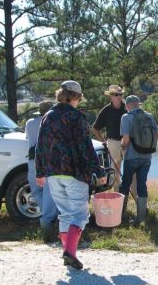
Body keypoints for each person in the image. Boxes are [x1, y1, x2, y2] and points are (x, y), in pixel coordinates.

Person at [36, 80, 106, 270]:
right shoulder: (77, 117)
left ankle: (68, 252)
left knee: (65, 214)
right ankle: (70, 252)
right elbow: (86, 147)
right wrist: (98, 171)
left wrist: (40, 172)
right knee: (80, 214)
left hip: (53, 173)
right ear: (75, 97)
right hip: (74, 172)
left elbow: (40, 145)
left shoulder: (48, 116)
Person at [119, 95, 158, 224]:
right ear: (138, 104)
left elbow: (125, 139)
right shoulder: (149, 116)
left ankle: (120, 216)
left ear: (127, 105)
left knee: (125, 185)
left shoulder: (126, 117)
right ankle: (141, 218)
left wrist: (122, 147)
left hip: (131, 157)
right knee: (142, 185)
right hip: (146, 157)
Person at [25, 101, 58, 242]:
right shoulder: (52, 122)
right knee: (48, 192)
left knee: (35, 190)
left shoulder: (29, 123)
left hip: (32, 159)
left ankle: (46, 218)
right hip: (47, 160)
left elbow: (28, 138)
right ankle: (48, 218)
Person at [93, 84, 127, 191]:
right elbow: (95, 128)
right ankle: (118, 195)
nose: (118, 96)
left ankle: (132, 194)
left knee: (132, 169)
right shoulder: (106, 110)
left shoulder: (127, 108)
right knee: (115, 171)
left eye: (120, 94)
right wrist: (103, 141)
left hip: (129, 142)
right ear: (111, 96)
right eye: (116, 94)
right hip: (113, 143)